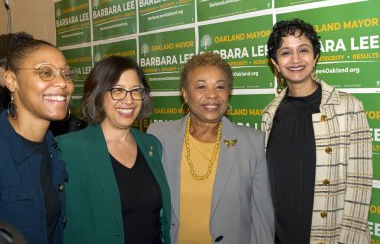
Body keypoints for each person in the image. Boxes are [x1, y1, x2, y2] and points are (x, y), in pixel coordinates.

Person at [262, 18, 372, 243]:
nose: (295, 59)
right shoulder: (269, 114)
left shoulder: (348, 107)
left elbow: (360, 186)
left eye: (303, 50)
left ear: (316, 56)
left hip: (330, 236)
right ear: (275, 63)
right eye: (285, 52)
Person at [148, 52, 274, 244]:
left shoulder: (252, 143)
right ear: (185, 93)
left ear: (228, 93)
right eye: (201, 86)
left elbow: (262, 217)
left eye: (220, 87)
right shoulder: (158, 136)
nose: (212, 95)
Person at [56, 56, 171, 244]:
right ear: (99, 95)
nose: (129, 100)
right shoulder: (68, 150)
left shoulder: (152, 145)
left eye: (136, 91)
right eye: (118, 91)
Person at [0, 35, 75, 244]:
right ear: (11, 81)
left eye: (66, 74)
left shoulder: (52, 148)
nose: (62, 83)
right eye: (46, 72)